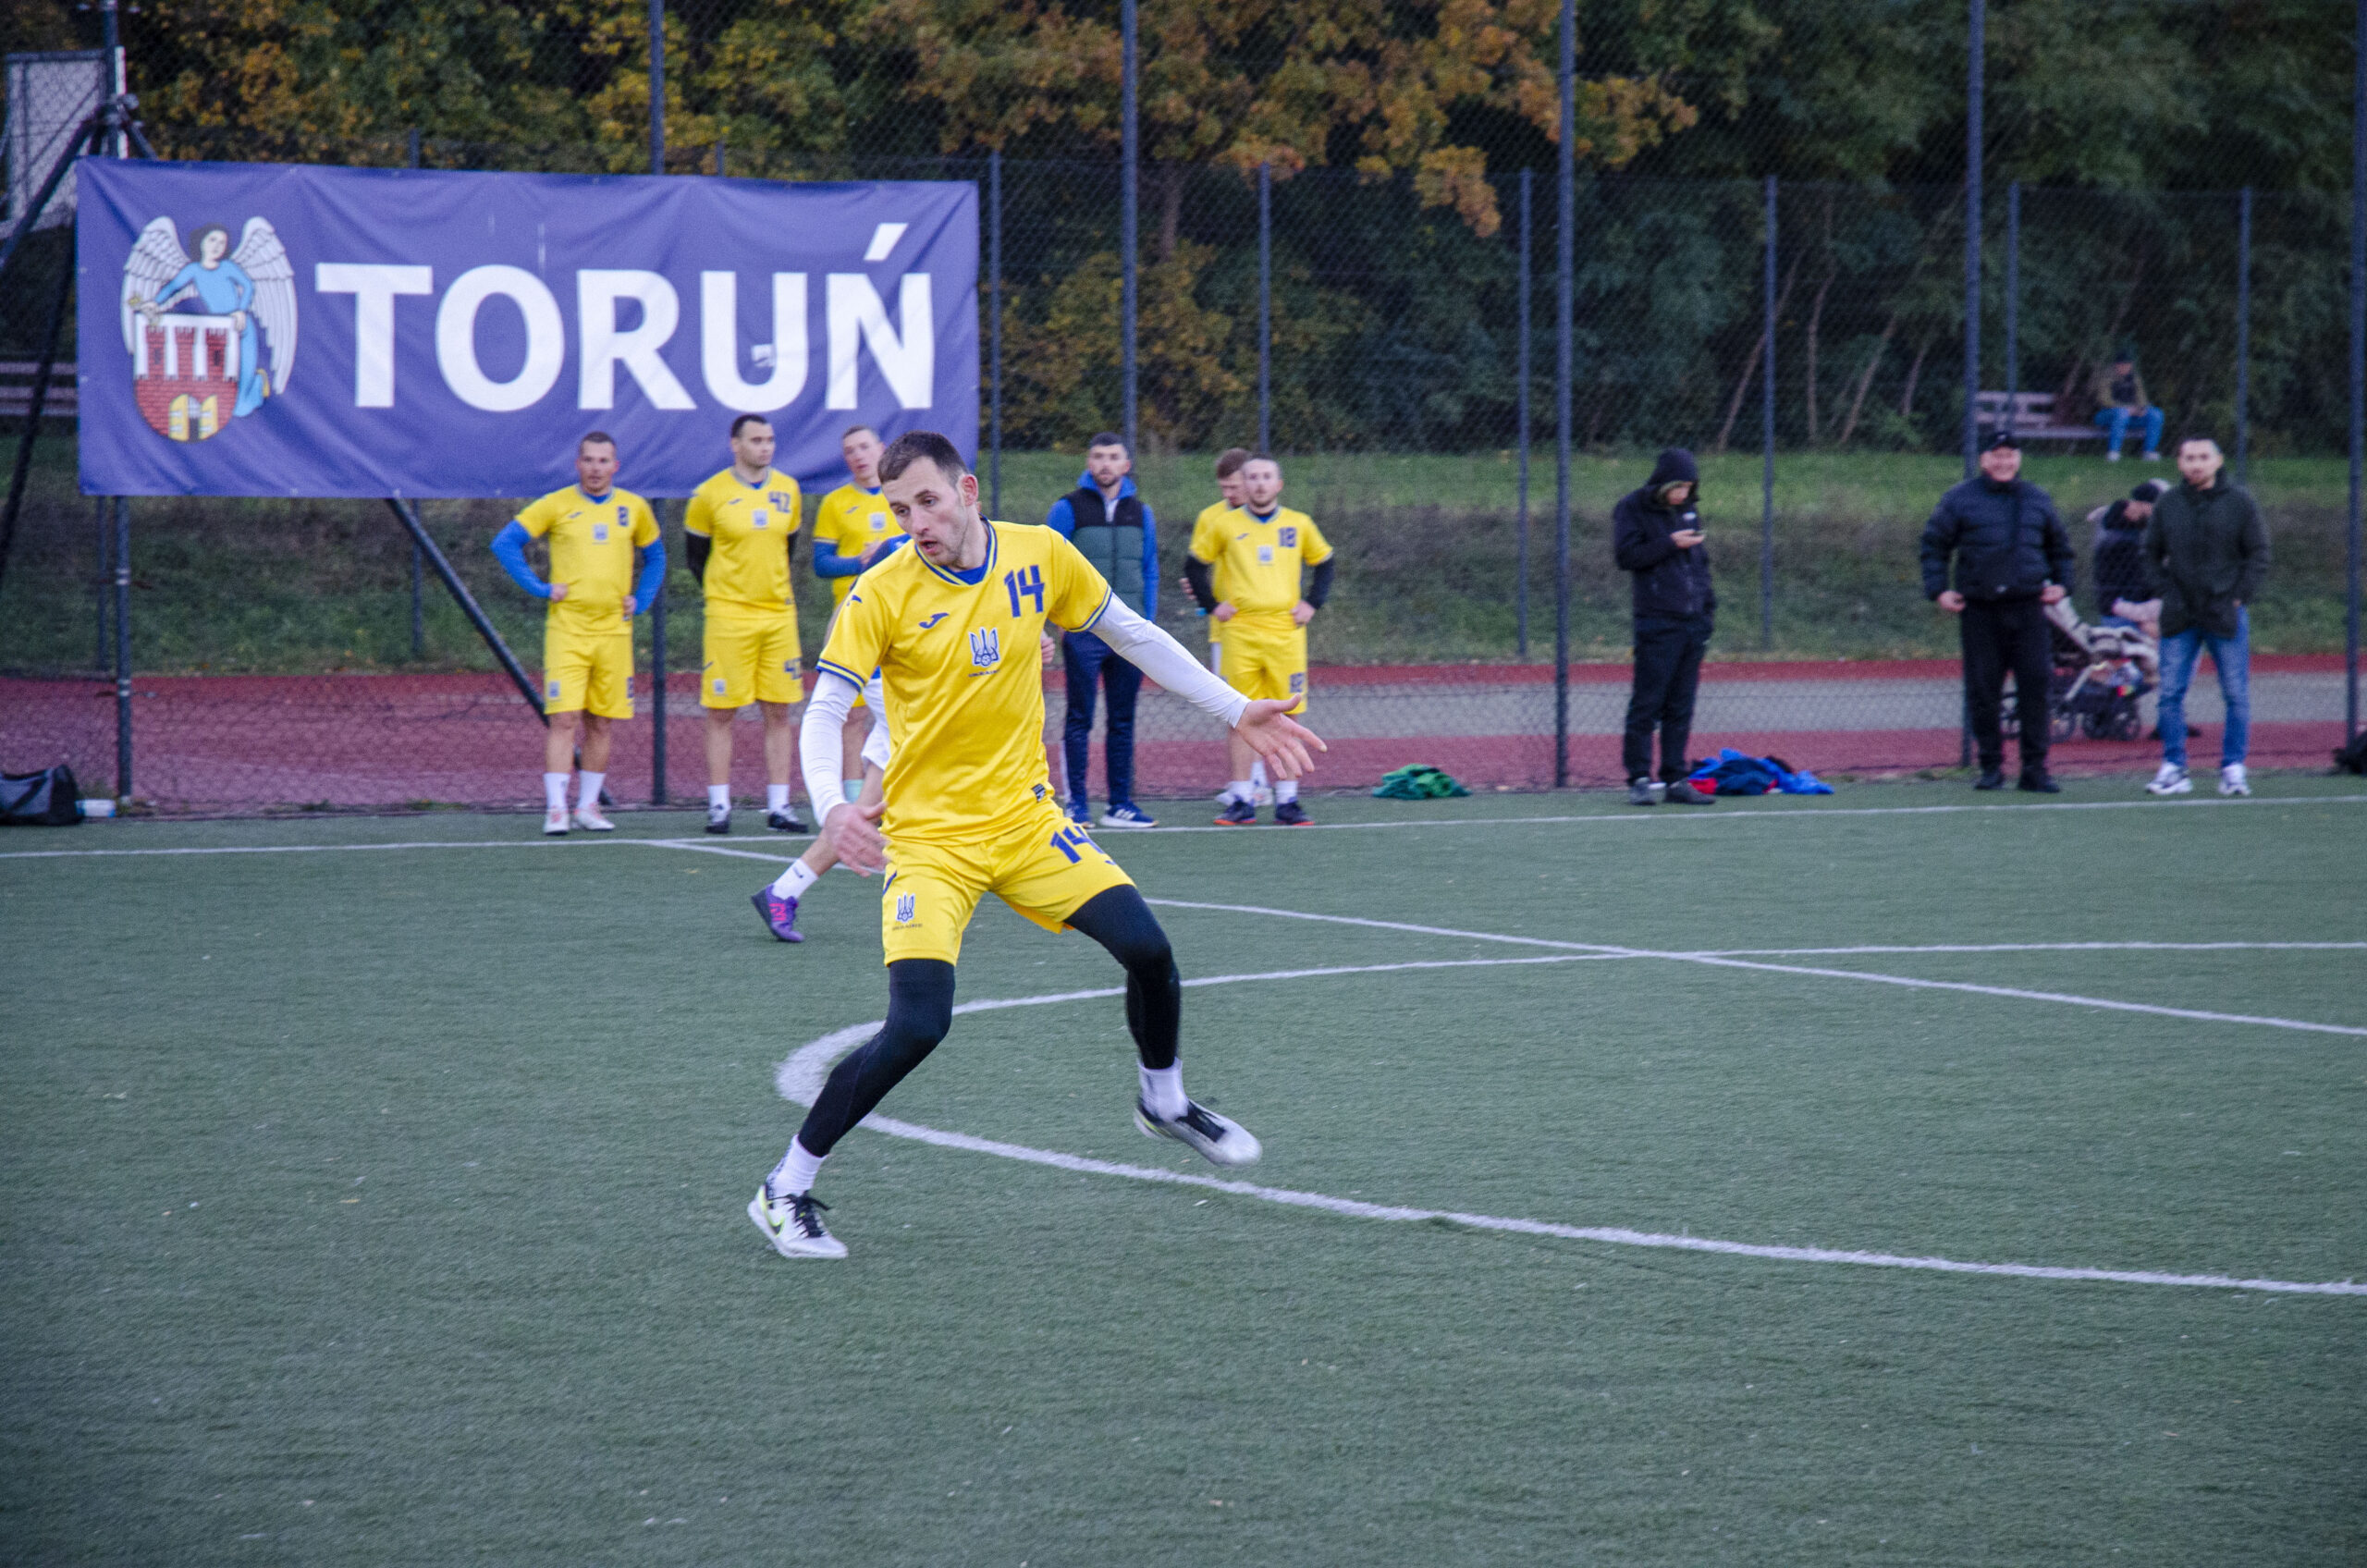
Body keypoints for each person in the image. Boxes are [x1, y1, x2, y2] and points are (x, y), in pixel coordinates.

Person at [747, 431, 1324, 1258]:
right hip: (932, 843)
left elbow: (1131, 633)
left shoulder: (1040, 553)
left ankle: (1164, 1101)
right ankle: (784, 1188)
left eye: (928, 501)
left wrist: (1235, 708)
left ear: (968, 491)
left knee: (1150, 952)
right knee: (917, 1026)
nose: (916, 522)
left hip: (1027, 822)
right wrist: (832, 806)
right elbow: (827, 708)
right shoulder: (880, 592)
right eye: (900, 509)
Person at [490, 433, 664, 835]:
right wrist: (540, 588)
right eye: (588, 460)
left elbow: (656, 556)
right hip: (568, 630)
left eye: (603, 461)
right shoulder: (556, 504)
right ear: (577, 464)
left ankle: (588, 807)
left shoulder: (634, 508)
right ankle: (556, 809)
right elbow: (505, 543)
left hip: (613, 633)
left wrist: (641, 599)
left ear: (615, 466)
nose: (595, 468)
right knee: (564, 718)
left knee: (601, 721)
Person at [1919, 431, 2075, 793]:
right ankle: (1991, 768)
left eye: (2010, 455)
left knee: (2036, 687)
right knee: (1983, 691)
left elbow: (2060, 548)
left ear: (2018, 459)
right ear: (1984, 460)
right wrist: (1939, 590)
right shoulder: (1960, 499)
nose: (2004, 462)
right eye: (1997, 455)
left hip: (2028, 610)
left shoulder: (2037, 498)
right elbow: (1934, 544)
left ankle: (2035, 770)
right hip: (1981, 611)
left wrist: (2063, 585)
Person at [1187, 454, 1335, 826]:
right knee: (1239, 714)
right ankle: (1242, 798)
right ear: (1245, 483)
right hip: (1241, 632)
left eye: (1267, 476)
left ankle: (1287, 799)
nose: (1259, 483)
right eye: (1252, 477)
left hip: (1286, 633)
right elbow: (1194, 564)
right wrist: (1212, 606)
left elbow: (1325, 562)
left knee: (1289, 712)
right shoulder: (1224, 524)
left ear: (1279, 484)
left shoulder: (1299, 524)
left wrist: (1312, 603)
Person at [682, 414, 808, 835]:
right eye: (756, 440)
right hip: (728, 617)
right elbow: (696, 558)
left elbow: (786, 549)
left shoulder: (788, 490)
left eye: (770, 439)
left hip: (778, 616)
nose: (765, 447)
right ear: (735, 445)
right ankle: (719, 805)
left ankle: (780, 806)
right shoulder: (708, 495)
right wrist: (727, 593)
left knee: (779, 710)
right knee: (722, 711)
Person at [2142, 435, 2269, 798]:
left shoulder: (2240, 502)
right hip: (2180, 614)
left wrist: (2239, 596)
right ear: (2180, 463)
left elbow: (2259, 553)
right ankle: (2174, 768)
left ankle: (2233, 769)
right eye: (2189, 458)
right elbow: (2149, 554)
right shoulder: (2168, 503)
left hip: (2223, 613)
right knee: (2170, 693)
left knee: (2235, 693)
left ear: (2217, 461)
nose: (2196, 464)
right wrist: (2166, 592)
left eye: (2203, 457)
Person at [1046, 432, 1160, 828]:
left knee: (1122, 719)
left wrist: (1147, 622)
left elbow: (1149, 569)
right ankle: (1076, 804)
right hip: (1084, 630)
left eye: (1113, 457)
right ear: (1088, 462)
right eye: (1098, 456)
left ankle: (1120, 805)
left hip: (1129, 633)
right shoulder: (1067, 508)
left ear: (1126, 465)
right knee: (1080, 717)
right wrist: (1056, 620)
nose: (1105, 463)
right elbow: (1048, 565)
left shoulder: (1141, 513)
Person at [752, 669, 890, 943]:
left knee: (863, 816)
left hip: (912, 706)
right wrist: (831, 805)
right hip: (907, 688)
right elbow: (824, 711)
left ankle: (783, 890)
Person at [1613, 447, 1717, 806]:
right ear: (1663, 483)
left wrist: (1707, 611)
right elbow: (1627, 556)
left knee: (1680, 706)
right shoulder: (1632, 507)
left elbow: (1700, 564)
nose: (1683, 494)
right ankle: (1640, 778)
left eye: (1688, 487)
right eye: (1678, 487)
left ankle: (1675, 778)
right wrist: (1670, 543)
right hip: (1657, 621)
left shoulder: (1688, 510)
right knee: (1647, 704)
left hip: (1693, 624)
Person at [810, 425, 906, 796]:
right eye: (850, 450)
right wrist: (861, 563)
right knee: (853, 715)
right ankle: (853, 799)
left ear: (881, 448)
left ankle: (886, 798)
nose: (858, 455)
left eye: (864, 447)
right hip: (855, 618)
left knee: (899, 714)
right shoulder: (836, 503)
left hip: (903, 620)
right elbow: (821, 563)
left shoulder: (901, 495)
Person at [1192, 447, 1269, 802]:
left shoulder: (1272, 521)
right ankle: (1250, 782)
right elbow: (1199, 569)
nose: (1229, 494)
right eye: (1223, 487)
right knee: (1235, 707)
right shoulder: (1211, 518)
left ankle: (1259, 784)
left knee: (1264, 706)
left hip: (1268, 630)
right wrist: (1204, 597)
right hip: (1226, 630)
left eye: (1235, 486)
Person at [2087, 478, 2164, 626]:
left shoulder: (2126, 527)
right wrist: (2144, 620)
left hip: (2132, 610)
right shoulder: (2120, 539)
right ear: (2142, 504)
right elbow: (2127, 586)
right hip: (2124, 615)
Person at [2091, 350, 2165, 463]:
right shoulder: (2106, 376)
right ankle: (2113, 452)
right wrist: (2127, 408)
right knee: (2122, 413)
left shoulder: (2134, 377)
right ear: (2116, 365)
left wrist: (2141, 409)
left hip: (2131, 415)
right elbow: (2104, 400)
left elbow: (2142, 398)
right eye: (2123, 365)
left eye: (2128, 365)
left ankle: (2148, 452)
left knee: (2156, 414)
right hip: (2106, 415)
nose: (2126, 367)